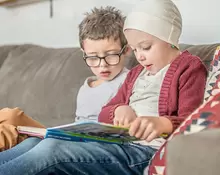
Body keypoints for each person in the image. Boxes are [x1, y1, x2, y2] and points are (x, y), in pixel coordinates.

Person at [0, 1, 207, 174]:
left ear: (170, 37)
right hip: (118, 145)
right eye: (135, 49)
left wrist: (164, 124)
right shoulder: (137, 74)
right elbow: (105, 113)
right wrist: (118, 109)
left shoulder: (189, 68)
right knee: (32, 143)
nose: (140, 56)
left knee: (51, 149)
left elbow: (196, 122)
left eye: (145, 47)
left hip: (145, 153)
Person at [0, 6, 129, 167]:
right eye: (93, 58)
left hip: (100, 149)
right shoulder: (86, 87)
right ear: (84, 53)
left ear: (127, 50)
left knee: (45, 145)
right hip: (76, 142)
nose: (102, 65)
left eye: (110, 55)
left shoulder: (130, 81)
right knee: (30, 143)